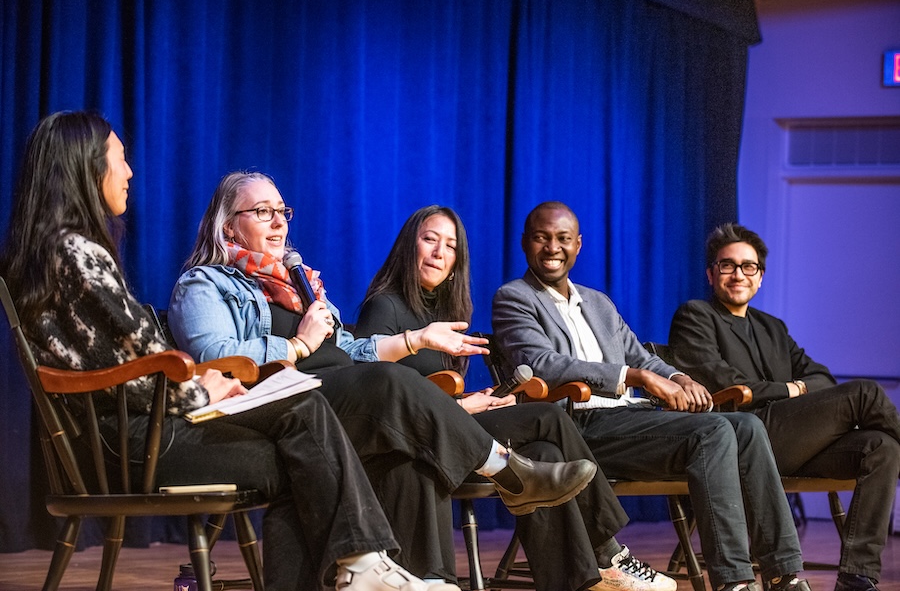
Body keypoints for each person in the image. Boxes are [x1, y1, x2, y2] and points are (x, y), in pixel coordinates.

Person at [0, 111, 465, 591]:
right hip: (128, 442)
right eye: (119, 158)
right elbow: (137, 364)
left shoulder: (57, 252)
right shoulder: (78, 254)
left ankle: (363, 565)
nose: (130, 172)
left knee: (306, 433)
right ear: (84, 165)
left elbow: (122, 357)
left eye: (281, 211)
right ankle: (364, 565)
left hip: (135, 430)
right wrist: (198, 389)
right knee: (304, 437)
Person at [167, 172, 597, 586]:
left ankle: (434, 581)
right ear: (228, 224)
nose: (279, 221)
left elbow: (352, 349)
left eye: (283, 211)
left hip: (341, 396)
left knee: (406, 450)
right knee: (389, 383)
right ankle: (507, 471)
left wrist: (417, 338)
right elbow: (215, 357)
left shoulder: (300, 286)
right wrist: (297, 346)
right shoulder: (203, 283)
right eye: (263, 211)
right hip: (284, 406)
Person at [492, 201, 812, 591]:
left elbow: (640, 354)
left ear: (578, 244)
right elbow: (542, 364)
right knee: (711, 433)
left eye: (562, 239)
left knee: (746, 427)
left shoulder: (597, 302)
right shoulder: (514, 297)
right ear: (525, 243)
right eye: (542, 238)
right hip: (577, 425)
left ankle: (784, 573)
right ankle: (734, 581)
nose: (552, 248)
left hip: (629, 418)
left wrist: (680, 377)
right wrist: (636, 376)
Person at [356, 205, 675, 591]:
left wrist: (485, 399)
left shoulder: (442, 309)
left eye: (451, 245)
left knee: (546, 452)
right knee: (550, 418)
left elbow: (435, 386)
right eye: (429, 239)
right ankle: (608, 551)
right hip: (417, 438)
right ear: (409, 245)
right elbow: (379, 395)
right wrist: (459, 407)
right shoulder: (385, 305)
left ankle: (578, 581)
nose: (440, 252)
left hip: (454, 426)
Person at [668, 223, 900, 591]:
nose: (738, 274)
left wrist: (790, 390)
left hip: (791, 441)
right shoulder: (695, 316)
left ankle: (857, 576)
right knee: (865, 393)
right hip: (740, 439)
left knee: (882, 447)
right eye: (727, 266)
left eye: (749, 267)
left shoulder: (772, 327)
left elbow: (822, 378)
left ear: (760, 277)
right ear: (711, 273)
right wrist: (793, 390)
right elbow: (725, 383)